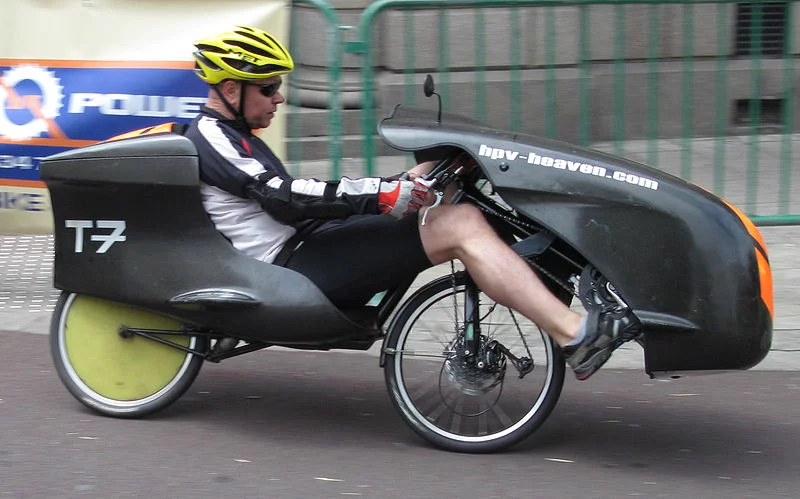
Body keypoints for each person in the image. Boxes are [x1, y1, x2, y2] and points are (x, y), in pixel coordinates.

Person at [184, 25, 640, 380]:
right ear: (229, 89)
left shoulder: (236, 135)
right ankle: (573, 334)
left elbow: (303, 197)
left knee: (451, 207)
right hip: (290, 268)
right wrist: (383, 194)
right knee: (458, 224)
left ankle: (582, 291)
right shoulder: (210, 137)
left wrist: (403, 183)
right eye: (269, 86)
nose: (279, 95)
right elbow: (283, 198)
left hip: (312, 245)